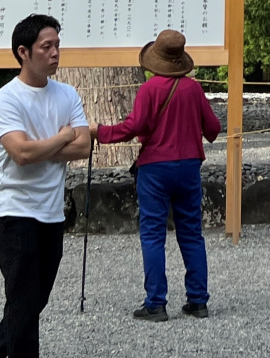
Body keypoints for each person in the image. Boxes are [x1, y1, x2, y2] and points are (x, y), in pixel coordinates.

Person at [0, 13, 91, 358]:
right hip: (13, 212)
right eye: (47, 46)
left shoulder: (67, 93)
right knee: (24, 300)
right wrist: (62, 136)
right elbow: (21, 153)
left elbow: (83, 147)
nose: (55, 52)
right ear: (23, 52)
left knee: (34, 300)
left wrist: (49, 144)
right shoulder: (6, 99)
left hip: (51, 213)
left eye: (57, 45)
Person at [90, 28, 221, 322]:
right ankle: (198, 301)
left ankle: (156, 303)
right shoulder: (193, 89)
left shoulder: (149, 89)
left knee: (152, 233)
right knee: (191, 233)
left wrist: (102, 133)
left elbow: (133, 127)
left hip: (155, 167)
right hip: (188, 166)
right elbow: (213, 129)